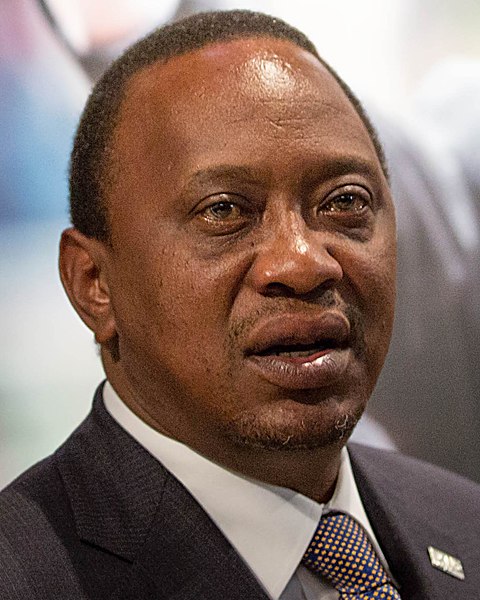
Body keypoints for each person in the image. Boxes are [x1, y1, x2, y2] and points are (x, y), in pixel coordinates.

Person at [0, 10, 479, 599]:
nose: (303, 263)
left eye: (345, 202)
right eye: (224, 211)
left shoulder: (464, 523)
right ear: (93, 282)